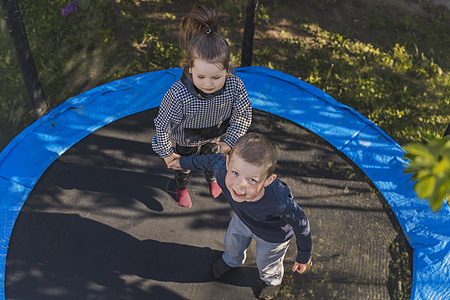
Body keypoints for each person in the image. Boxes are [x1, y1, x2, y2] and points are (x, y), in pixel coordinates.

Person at [168, 132, 312, 300]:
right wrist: (181, 162)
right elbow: (208, 160)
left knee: (267, 262)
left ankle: (272, 280)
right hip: (242, 219)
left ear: (268, 180)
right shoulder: (222, 170)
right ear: (228, 163)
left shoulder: (279, 200)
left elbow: (302, 225)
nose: (240, 186)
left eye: (252, 180)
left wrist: (304, 256)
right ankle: (231, 260)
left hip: (272, 235)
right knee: (232, 242)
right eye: (236, 173)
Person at [152, 2, 252, 209]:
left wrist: (231, 140)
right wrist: (167, 153)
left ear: (228, 69)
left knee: (215, 160)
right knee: (183, 167)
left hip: (215, 136)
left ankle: (213, 178)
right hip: (186, 139)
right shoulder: (179, 93)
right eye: (201, 76)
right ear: (190, 68)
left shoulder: (234, 85)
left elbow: (243, 113)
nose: (208, 84)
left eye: (216, 77)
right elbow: (162, 125)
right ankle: (182, 186)